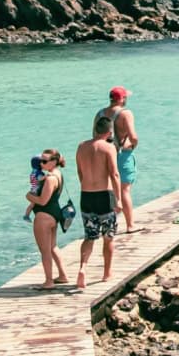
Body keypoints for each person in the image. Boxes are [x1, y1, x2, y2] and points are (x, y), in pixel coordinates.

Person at [75, 116, 121, 289]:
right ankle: (107, 274)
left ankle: (82, 268)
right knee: (108, 237)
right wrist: (119, 199)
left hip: (86, 195)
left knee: (89, 236)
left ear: (95, 129)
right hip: (104, 196)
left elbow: (80, 172)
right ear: (109, 132)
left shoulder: (81, 147)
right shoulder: (109, 148)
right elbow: (114, 174)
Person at [25, 149, 71, 288]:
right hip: (54, 213)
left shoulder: (50, 179)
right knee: (52, 247)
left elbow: (43, 200)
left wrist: (28, 196)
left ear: (54, 162)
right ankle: (63, 275)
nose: (41, 163)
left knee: (45, 250)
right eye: (40, 160)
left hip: (44, 215)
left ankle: (49, 281)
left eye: (44, 161)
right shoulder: (57, 174)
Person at [100, 87, 139, 235]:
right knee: (124, 190)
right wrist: (133, 145)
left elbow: (95, 134)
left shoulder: (100, 113)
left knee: (109, 189)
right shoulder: (125, 113)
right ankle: (130, 225)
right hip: (122, 153)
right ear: (122, 99)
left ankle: (108, 225)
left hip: (105, 153)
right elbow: (133, 136)